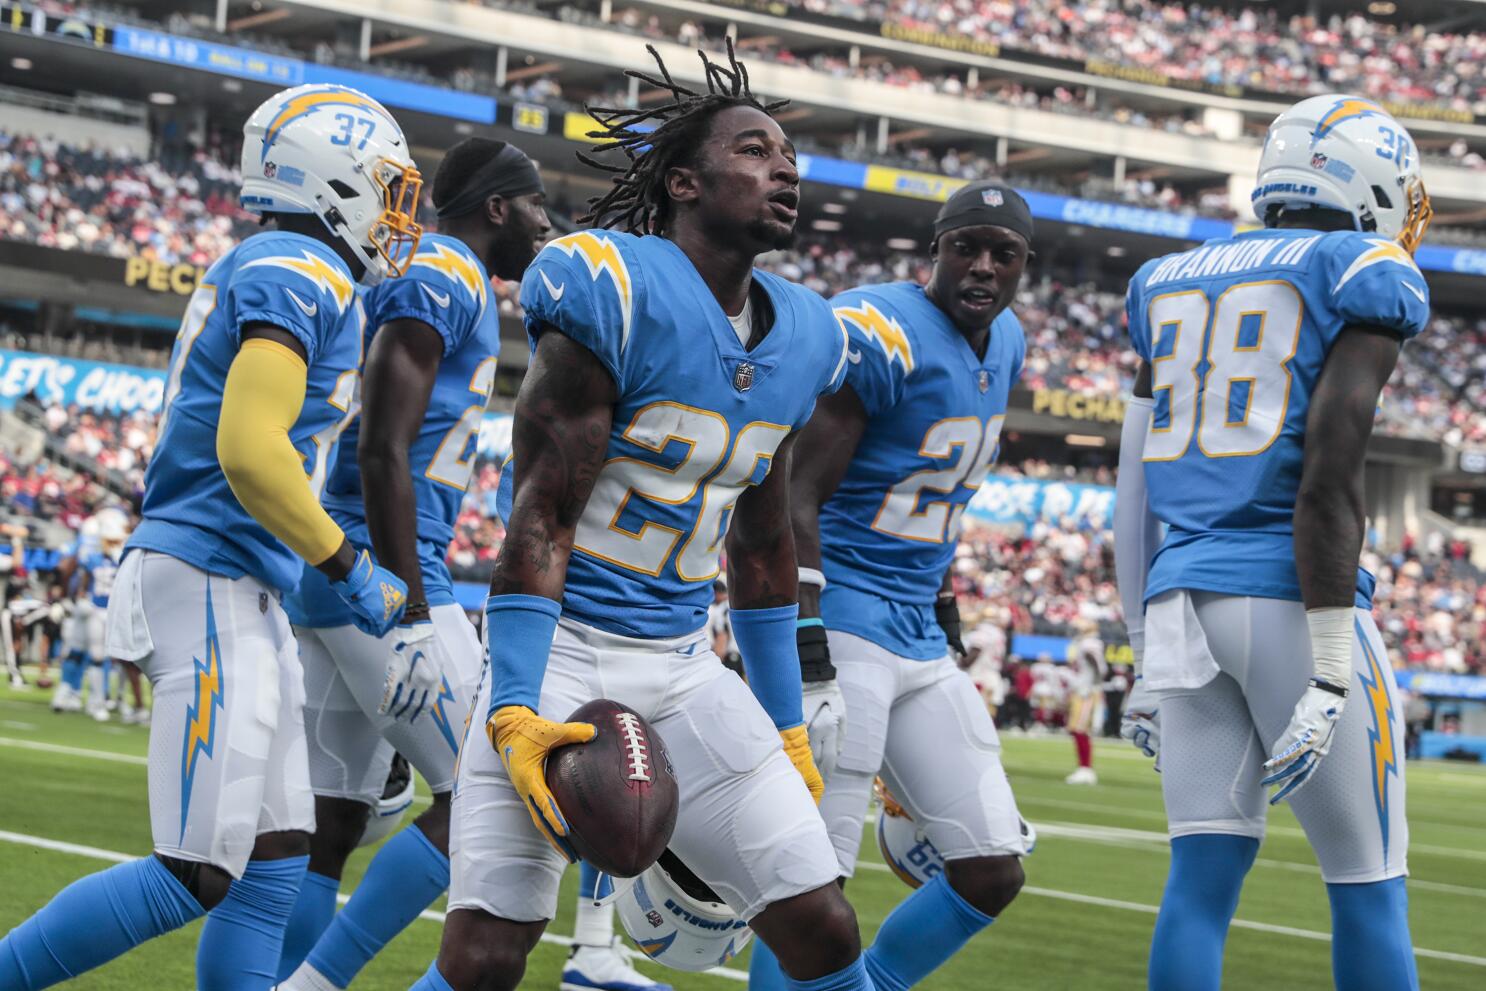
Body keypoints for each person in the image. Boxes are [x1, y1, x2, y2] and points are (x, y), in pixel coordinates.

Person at [411, 43, 880, 991]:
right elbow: (541, 514)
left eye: (789, 155)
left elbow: (762, 545)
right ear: (683, 181)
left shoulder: (808, 334)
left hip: (681, 663)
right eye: (754, 150)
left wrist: (785, 722)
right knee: (487, 957)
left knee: (824, 925)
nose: (784, 168)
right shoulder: (611, 286)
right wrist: (511, 706)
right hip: (563, 650)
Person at [0, 83, 420, 991]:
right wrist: (347, 563)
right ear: (334, 179)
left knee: (272, 862)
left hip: (237, 581)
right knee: (196, 870)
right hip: (208, 573)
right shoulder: (300, 271)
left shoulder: (290, 266)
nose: (396, 210)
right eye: (385, 186)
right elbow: (249, 450)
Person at [1115, 94, 1431, 991]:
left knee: (1200, 885)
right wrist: (1332, 663)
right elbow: (1331, 478)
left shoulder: (1167, 277)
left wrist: (1141, 648)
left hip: (1181, 605)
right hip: (1289, 600)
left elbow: (1133, 485)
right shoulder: (1357, 265)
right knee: (1369, 886)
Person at [275, 138, 552, 991]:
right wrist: (412, 608)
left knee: (333, 823)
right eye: (536, 204)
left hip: (337, 579)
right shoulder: (447, 270)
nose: (547, 224)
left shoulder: (439, 272)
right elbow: (381, 446)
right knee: (490, 797)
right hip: (381, 579)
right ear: (497, 206)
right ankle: (311, 985)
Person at [756, 181, 1034, 991]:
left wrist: (945, 604)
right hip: (843, 614)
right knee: (811, 882)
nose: (982, 266)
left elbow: (939, 494)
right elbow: (793, 494)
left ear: (1023, 266)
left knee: (991, 866)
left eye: (1003, 253)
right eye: (965, 247)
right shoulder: (882, 329)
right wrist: (806, 645)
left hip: (916, 626)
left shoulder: (1007, 338)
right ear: (936, 249)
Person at [1065, 620, 1103, 785]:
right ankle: (1084, 768)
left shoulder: (1089, 643)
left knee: (1080, 729)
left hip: (1086, 691)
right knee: (1077, 729)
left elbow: (1093, 662)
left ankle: (1085, 769)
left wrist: (1092, 684)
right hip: (1083, 689)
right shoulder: (1089, 642)